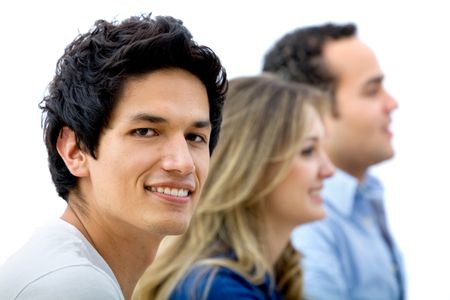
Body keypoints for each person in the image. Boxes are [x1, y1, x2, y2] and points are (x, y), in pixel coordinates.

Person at [0, 13, 227, 300]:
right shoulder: (72, 285)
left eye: (195, 137)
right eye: (146, 131)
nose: (182, 163)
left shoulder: (65, 268)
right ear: (75, 150)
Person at [133, 74, 335, 300]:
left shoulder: (266, 277)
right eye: (308, 151)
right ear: (252, 166)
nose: (329, 170)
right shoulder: (218, 290)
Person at [263, 23, 404, 300]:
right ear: (313, 109)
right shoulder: (306, 223)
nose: (392, 103)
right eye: (372, 90)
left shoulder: (364, 196)